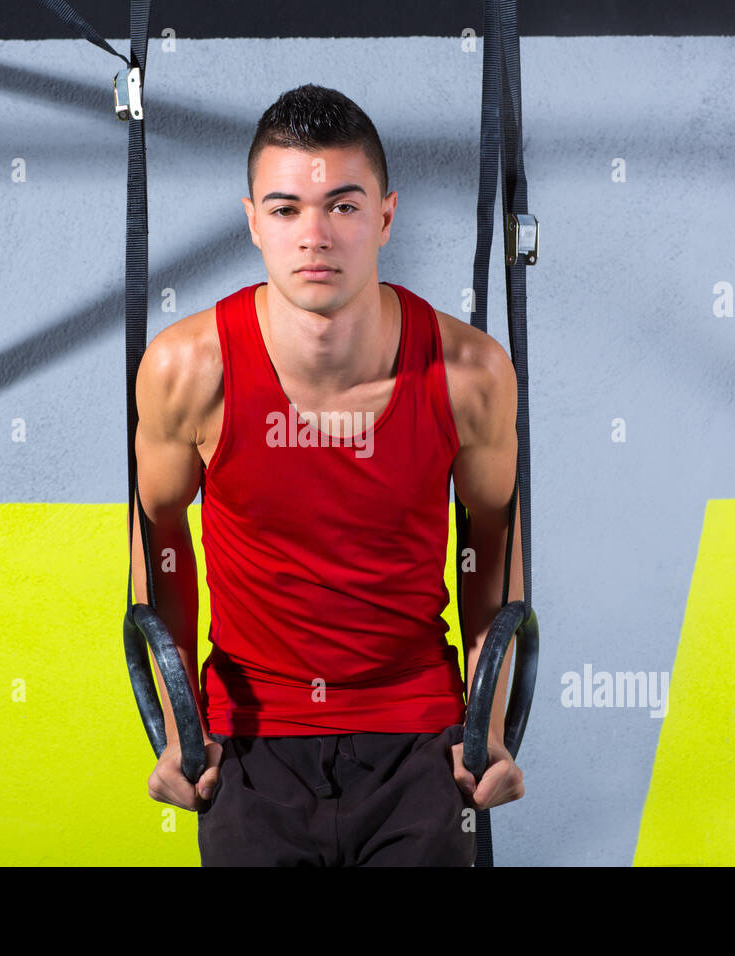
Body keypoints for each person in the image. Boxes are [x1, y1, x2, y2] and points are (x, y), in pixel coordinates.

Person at [132, 83, 525, 866]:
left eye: (343, 207)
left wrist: (485, 729)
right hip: (249, 745)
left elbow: (493, 548)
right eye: (285, 210)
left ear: (385, 216)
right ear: (252, 221)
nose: (314, 235)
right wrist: (178, 727)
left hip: (419, 736)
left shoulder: (470, 373)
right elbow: (160, 540)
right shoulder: (187, 368)